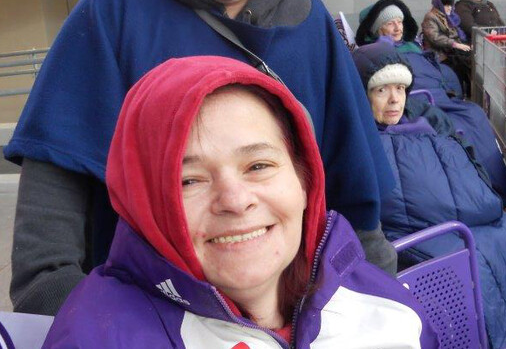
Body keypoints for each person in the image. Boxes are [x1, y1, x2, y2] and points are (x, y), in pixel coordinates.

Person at [5, 0, 398, 317]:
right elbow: (54, 199)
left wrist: (380, 306)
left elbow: (352, 192)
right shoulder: (116, 11)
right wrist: (79, 313)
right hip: (151, 314)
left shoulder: (309, 23)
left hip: (292, 315)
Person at [42, 56, 439, 348]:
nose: (234, 200)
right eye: (189, 180)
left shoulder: (384, 302)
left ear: (305, 181)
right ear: (143, 205)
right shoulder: (94, 338)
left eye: (259, 165)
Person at [352, 42, 506, 349]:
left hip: (470, 218)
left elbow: (469, 173)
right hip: (422, 232)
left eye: (401, 89)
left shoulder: (428, 120)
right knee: (472, 274)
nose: (395, 100)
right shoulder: (358, 139)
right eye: (381, 91)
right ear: (361, 93)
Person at [355, 0, 506, 206]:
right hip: (417, 98)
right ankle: (481, 192)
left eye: (400, 21)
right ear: (377, 29)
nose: (397, 27)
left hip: (436, 95)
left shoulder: (412, 46)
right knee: (457, 126)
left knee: (474, 114)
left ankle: (498, 188)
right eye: (389, 23)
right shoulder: (374, 53)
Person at [421, 0, 472, 97]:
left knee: (467, 63)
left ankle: (465, 93)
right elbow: (434, 38)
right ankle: (459, 94)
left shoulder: (449, 16)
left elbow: (456, 34)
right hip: (439, 53)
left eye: (450, 5)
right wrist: (455, 44)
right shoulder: (431, 17)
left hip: (450, 50)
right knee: (459, 67)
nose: (449, 8)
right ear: (439, 5)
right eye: (446, 5)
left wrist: (465, 44)